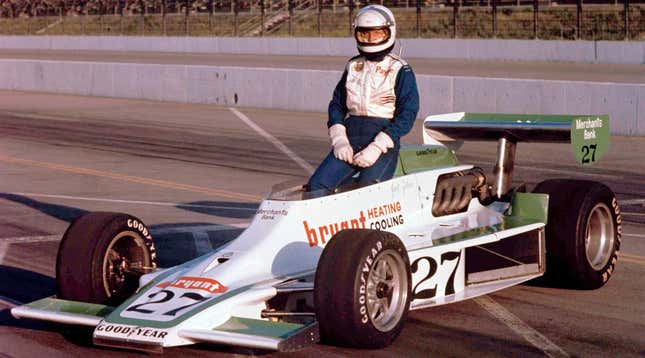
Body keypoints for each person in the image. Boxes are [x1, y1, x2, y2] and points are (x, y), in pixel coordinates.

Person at [306, 5, 420, 193]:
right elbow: (337, 105)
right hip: (350, 136)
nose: (369, 39)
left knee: (368, 191)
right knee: (317, 186)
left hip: (382, 137)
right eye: (364, 35)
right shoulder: (352, 65)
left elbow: (407, 114)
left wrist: (378, 146)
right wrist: (339, 139)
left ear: (389, 32)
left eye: (376, 34)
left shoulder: (400, 69)